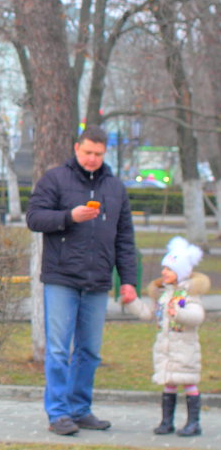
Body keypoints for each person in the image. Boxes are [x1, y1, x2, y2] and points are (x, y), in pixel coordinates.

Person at [26, 125, 138, 436]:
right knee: (59, 350)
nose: (92, 159)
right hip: (62, 278)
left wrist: (128, 281)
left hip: (98, 281)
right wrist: (68, 217)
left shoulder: (115, 188)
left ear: (105, 154)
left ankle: (80, 408)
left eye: (98, 154)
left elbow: (125, 239)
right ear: (77, 148)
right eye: (87, 152)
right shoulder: (55, 179)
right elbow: (34, 218)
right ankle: (58, 413)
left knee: (89, 351)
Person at [125, 236, 209, 437]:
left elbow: (197, 316)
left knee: (188, 382)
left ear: (181, 273)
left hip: (184, 347)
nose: (164, 273)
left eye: (169, 270)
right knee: (169, 382)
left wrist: (178, 314)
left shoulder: (188, 296)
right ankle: (166, 421)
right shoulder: (164, 296)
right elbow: (149, 313)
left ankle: (193, 422)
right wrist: (132, 302)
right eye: (164, 268)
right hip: (166, 348)